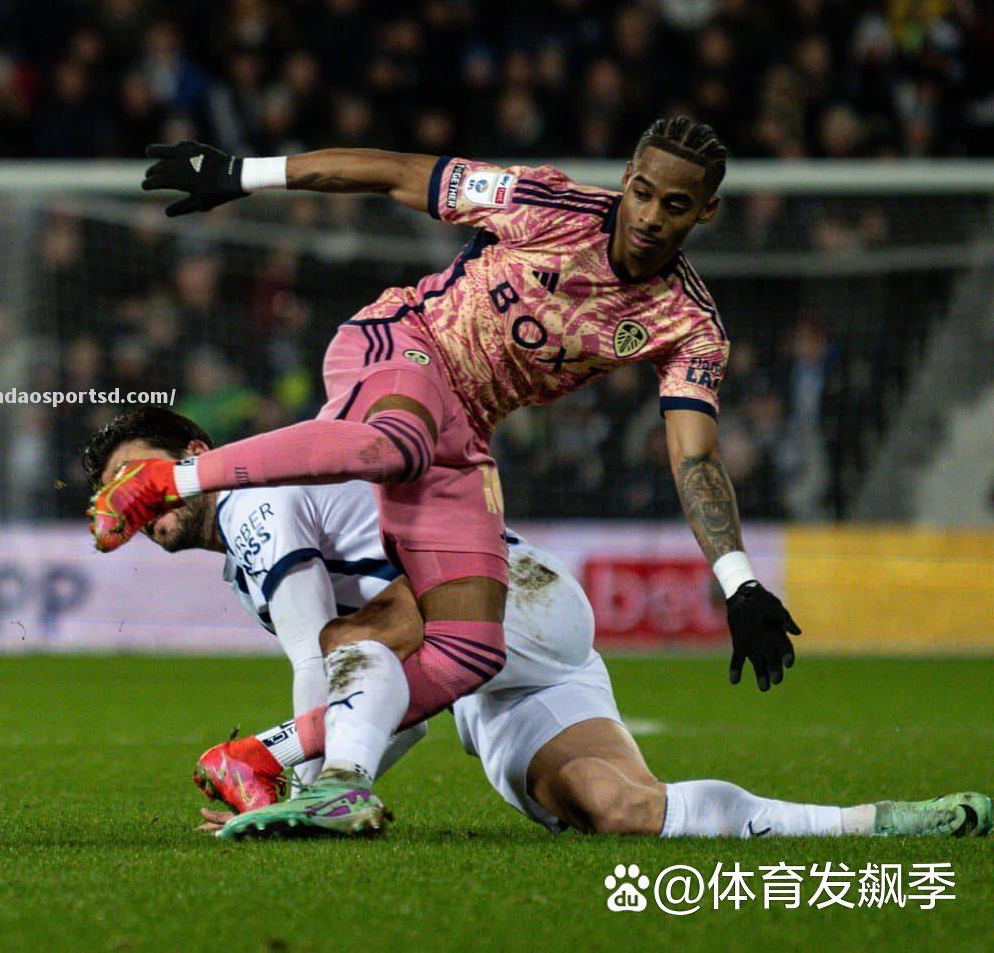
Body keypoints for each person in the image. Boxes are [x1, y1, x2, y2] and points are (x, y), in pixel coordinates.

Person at [89, 118, 801, 836]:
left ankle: (275, 765)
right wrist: (246, 174)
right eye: (643, 193)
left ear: (705, 211)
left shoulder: (688, 323)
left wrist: (738, 581)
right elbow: (393, 170)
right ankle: (168, 481)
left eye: (674, 206)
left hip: (462, 440)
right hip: (400, 344)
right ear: (626, 178)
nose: (650, 216)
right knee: (397, 444)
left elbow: (696, 456)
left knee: (469, 648)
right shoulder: (546, 205)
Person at [83, 408, 990, 841]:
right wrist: (297, 780)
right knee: (620, 810)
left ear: (192, 461)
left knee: (344, 645)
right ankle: (879, 824)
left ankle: (330, 790)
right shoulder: (249, 544)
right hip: (503, 671)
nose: (126, 499)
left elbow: (334, 666)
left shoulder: (249, 501)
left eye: (136, 473)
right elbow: (386, 700)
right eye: (109, 490)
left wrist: (298, 769)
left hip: (505, 596)